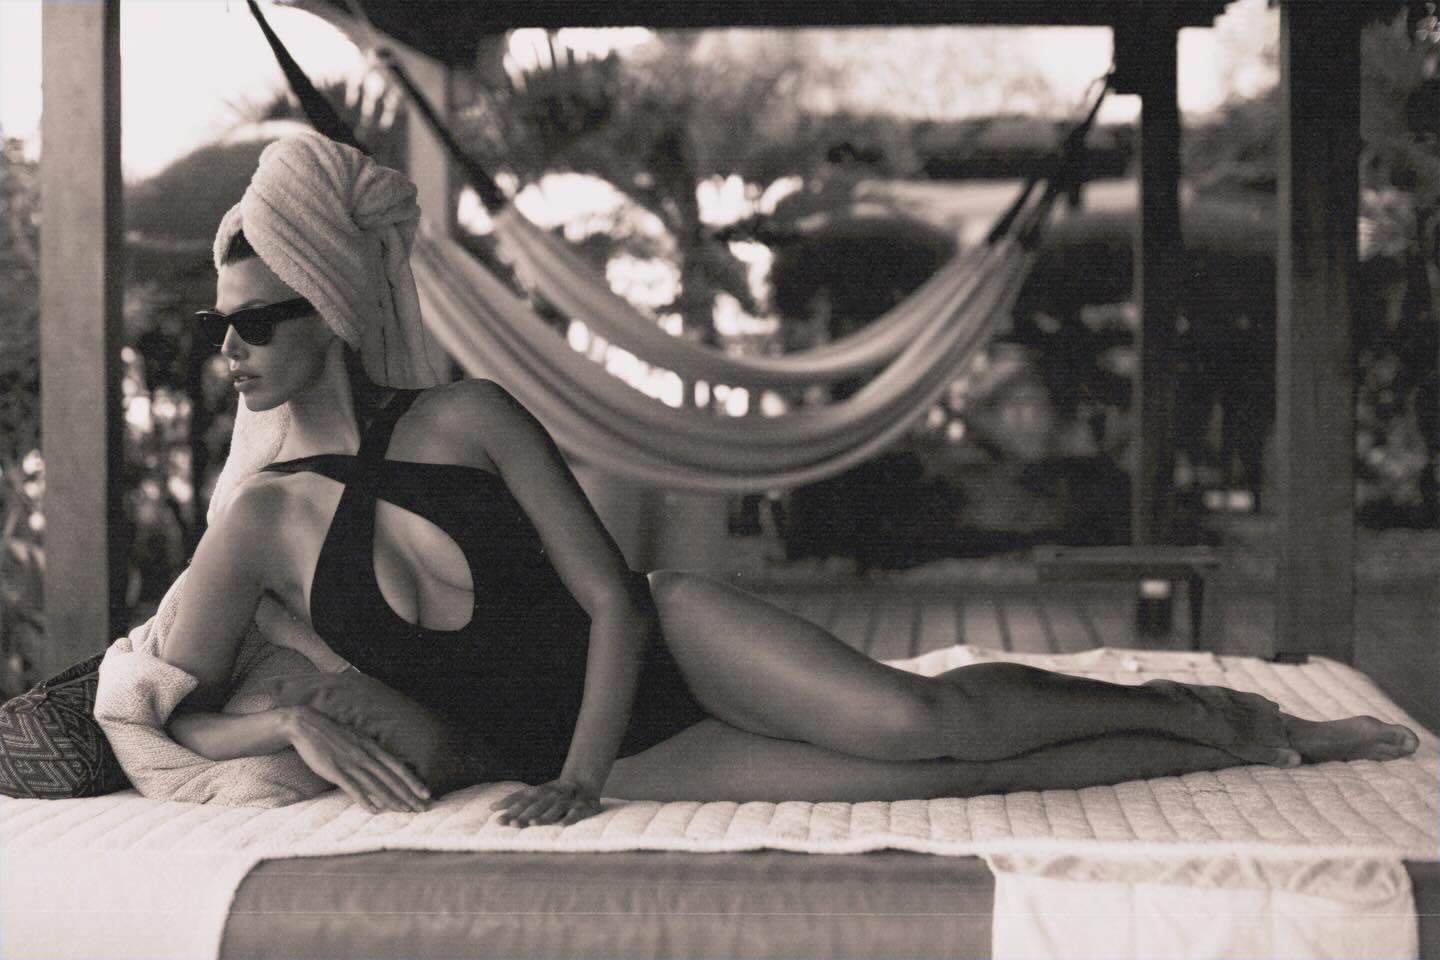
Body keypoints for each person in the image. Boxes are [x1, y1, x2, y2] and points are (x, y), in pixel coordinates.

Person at [159, 133, 1419, 828]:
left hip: (667, 651)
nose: (232, 350)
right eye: (221, 327)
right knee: (954, 785)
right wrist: (295, 723)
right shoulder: (257, 523)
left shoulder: (468, 415)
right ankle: (1220, 740)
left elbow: (610, 599)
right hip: (616, 758)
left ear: (330, 307)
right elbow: (166, 714)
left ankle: (1236, 721)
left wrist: (578, 778)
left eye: (257, 321)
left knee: (918, 723)